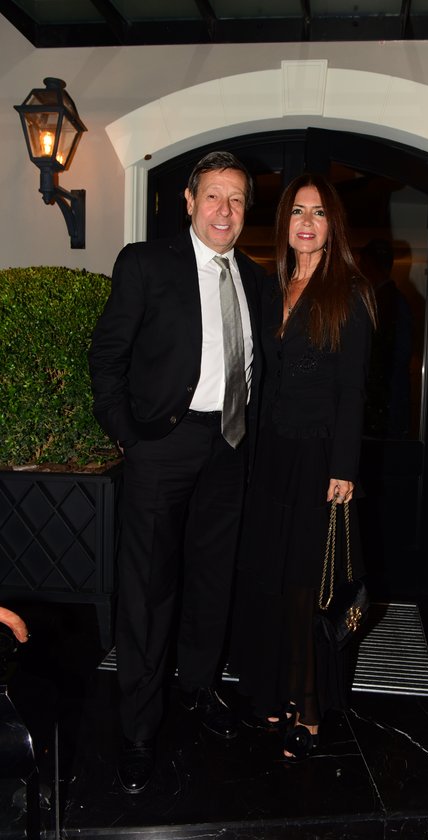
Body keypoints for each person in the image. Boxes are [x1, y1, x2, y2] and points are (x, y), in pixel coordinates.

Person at [88, 150, 264, 794]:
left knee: (212, 581)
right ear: (189, 201)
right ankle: (137, 727)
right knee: (147, 590)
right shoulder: (146, 264)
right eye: (213, 195)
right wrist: (130, 439)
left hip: (229, 445)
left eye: (237, 199)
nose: (225, 210)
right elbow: (106, 357)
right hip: (163, 443)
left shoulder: (254, 277)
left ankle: (197, 688)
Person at [230, 172, 376, 759]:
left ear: (332, 224)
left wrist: (344, 468)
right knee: (267, 579)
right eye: (297, 211)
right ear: (284, 223)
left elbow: (353, 389)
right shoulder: (272, 289)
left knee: (306, 587)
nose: (307, 222)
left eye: (317, 212)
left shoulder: (350, 291)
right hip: (270, 454)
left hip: (319, 458)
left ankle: (308, 707)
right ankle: (271, 693)